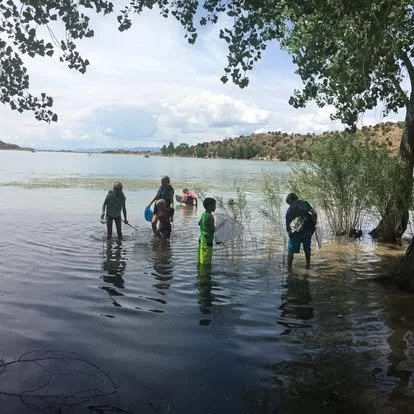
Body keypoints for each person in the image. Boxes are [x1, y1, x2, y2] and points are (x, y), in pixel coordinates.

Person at [285, 192, 317, 270]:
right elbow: (314, 213)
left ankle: (289, 269)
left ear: (291, 200)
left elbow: (288, 224)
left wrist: (290, 233)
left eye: (289, 203)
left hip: (296, 232)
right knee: (307, 249)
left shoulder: (290, 209)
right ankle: (308, 265)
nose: (289, 205)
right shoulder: (305, 203)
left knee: (291, 250)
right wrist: (314, 224)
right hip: (308, 230)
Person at [198, 197, 216, 266]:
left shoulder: (203, 214)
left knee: (201, 260)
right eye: (214, 205)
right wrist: (215, 227)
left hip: (201, 240)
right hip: (207, 242)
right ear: (209, 206)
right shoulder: (210, 216)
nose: (215, 207)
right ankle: (205, 275)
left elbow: (199, 223)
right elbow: (212, 230)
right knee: (206, 262)